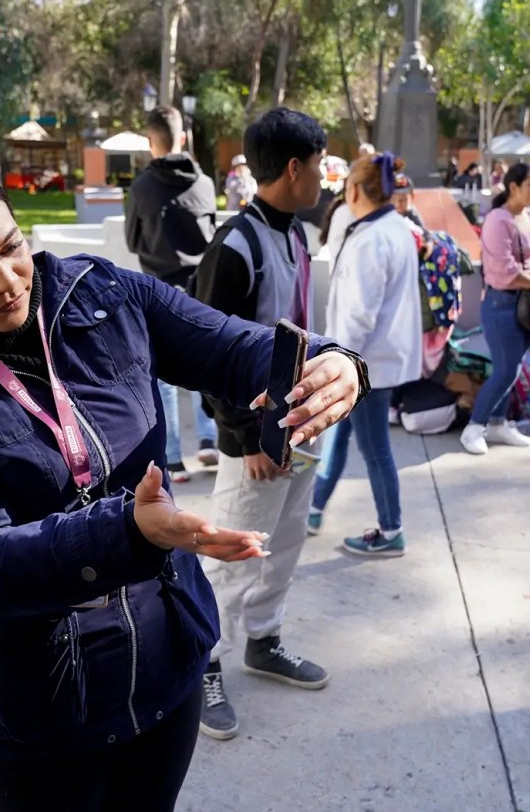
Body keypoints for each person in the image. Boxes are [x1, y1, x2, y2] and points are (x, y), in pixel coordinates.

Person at [0, 148, 364, 810]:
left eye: (12, 247)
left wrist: (331, 361)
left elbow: (230, 347)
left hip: (163, 667)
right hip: (24, 710)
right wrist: (129, 532)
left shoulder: (101, 293)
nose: (8, 280)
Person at [192, 108, 369, 742]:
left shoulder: (296, 234)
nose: (327, 176)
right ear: (294, 168)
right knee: (235, 554)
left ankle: (263, 640)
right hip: (256, 442)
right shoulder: (235, 245)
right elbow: (203, 351)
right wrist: (243, 438)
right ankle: (202, 662)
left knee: (285, 544)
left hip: (300, 430)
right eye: (322, 163)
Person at [308, 153, 420, 553]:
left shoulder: (371, 237)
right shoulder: (393, 227)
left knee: (375, 451)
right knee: (340, 437)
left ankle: (391, 531)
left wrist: (334, 362)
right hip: (373, 361)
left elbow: (359, 315)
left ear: (353, 190)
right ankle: (315, 506)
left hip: (364, 365)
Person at [124, 106, 219, 483]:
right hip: (199, 290)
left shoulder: (143, 186)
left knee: (163, 380)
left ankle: (176, 459)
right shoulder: (206, 183)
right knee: (200, 367)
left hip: (158, 290)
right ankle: (209, 439)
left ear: (151, 142)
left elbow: (133, 240)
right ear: (182, 137)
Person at [459, 163, 530, 455]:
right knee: (504, 370)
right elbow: (503, 268)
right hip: (501, 304)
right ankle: (474, 427)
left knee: (512, 369)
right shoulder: (498, 220)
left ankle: (498, 423)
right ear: (513, 187)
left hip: (526, 305)